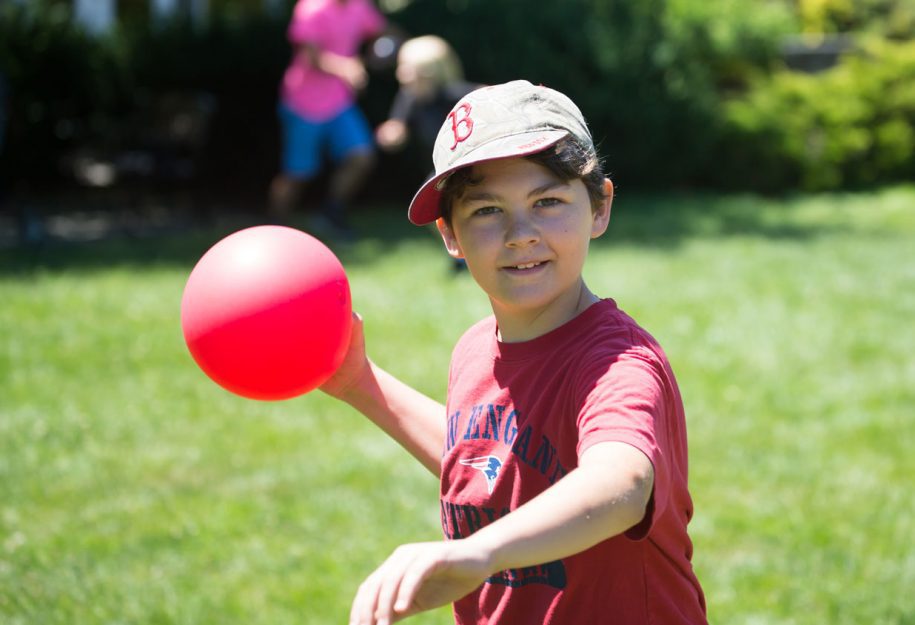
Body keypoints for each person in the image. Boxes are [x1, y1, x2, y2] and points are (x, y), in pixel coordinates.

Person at [320, 80, 707, 624]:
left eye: (547, 202)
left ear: (599, 207)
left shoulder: (617, 362)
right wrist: (361, 383)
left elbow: (622, 482)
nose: (520, 233)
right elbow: (488, 459)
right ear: (449, 235)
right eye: (486, 211)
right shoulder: (476, 348)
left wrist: (481, 550)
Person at [269, 0, 386, 239]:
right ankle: (274, 229)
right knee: (297, 174)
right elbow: (311, 56)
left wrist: (405, 45)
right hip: (303, 103)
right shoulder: (311, 8)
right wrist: (346, 68)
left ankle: (330, 214)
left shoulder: (359, 5)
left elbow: (381, 31)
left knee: (362, 156)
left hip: (339, 102)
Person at [375, 35, 481, 272]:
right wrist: (392, 133)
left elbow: (482, 96)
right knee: (436, 213)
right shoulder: (410, 98)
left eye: (408, 70)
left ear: (430, 73)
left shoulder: (454, 95)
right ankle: (461, 255)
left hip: (465, 163)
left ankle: (468, 255)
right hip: (439, 167)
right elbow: (398, 126)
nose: (401, 75)